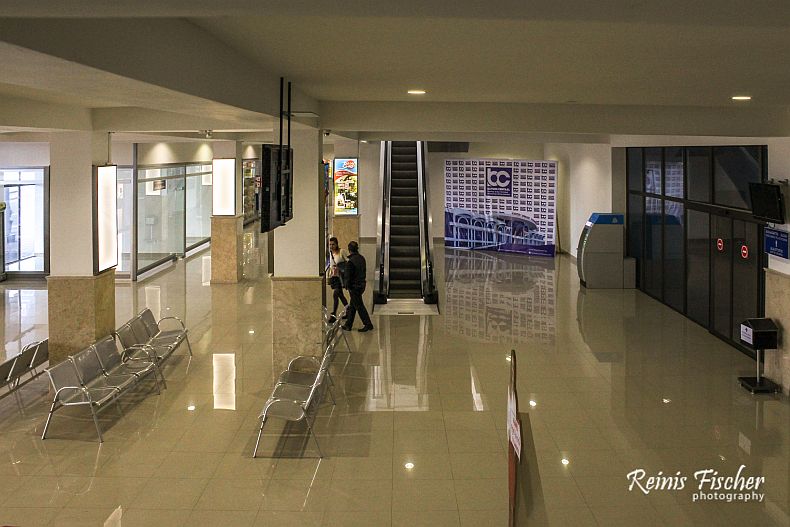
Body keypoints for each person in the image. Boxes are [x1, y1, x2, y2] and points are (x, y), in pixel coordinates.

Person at [342, 240, 374, 332]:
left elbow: (348, 276)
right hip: (362, 285)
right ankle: (348, 324)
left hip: (354, 286)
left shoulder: (350, 262)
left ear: (349, 250)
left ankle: (368, 324)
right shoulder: (362, 258)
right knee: (353, 305)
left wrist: (346, 285)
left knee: (359, 306)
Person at [326, 237, 348, 322]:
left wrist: (340, 267)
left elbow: (348, 262)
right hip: (334, 277)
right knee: (340, 295)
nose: (331, 246)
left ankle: (333, 314)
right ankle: (348, 309)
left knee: (336, 294)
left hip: (340, 277)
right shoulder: (330, 253)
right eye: (330, 244)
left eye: (333, 244)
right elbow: (330, 266)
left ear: (337, 244)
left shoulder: (341, 252)